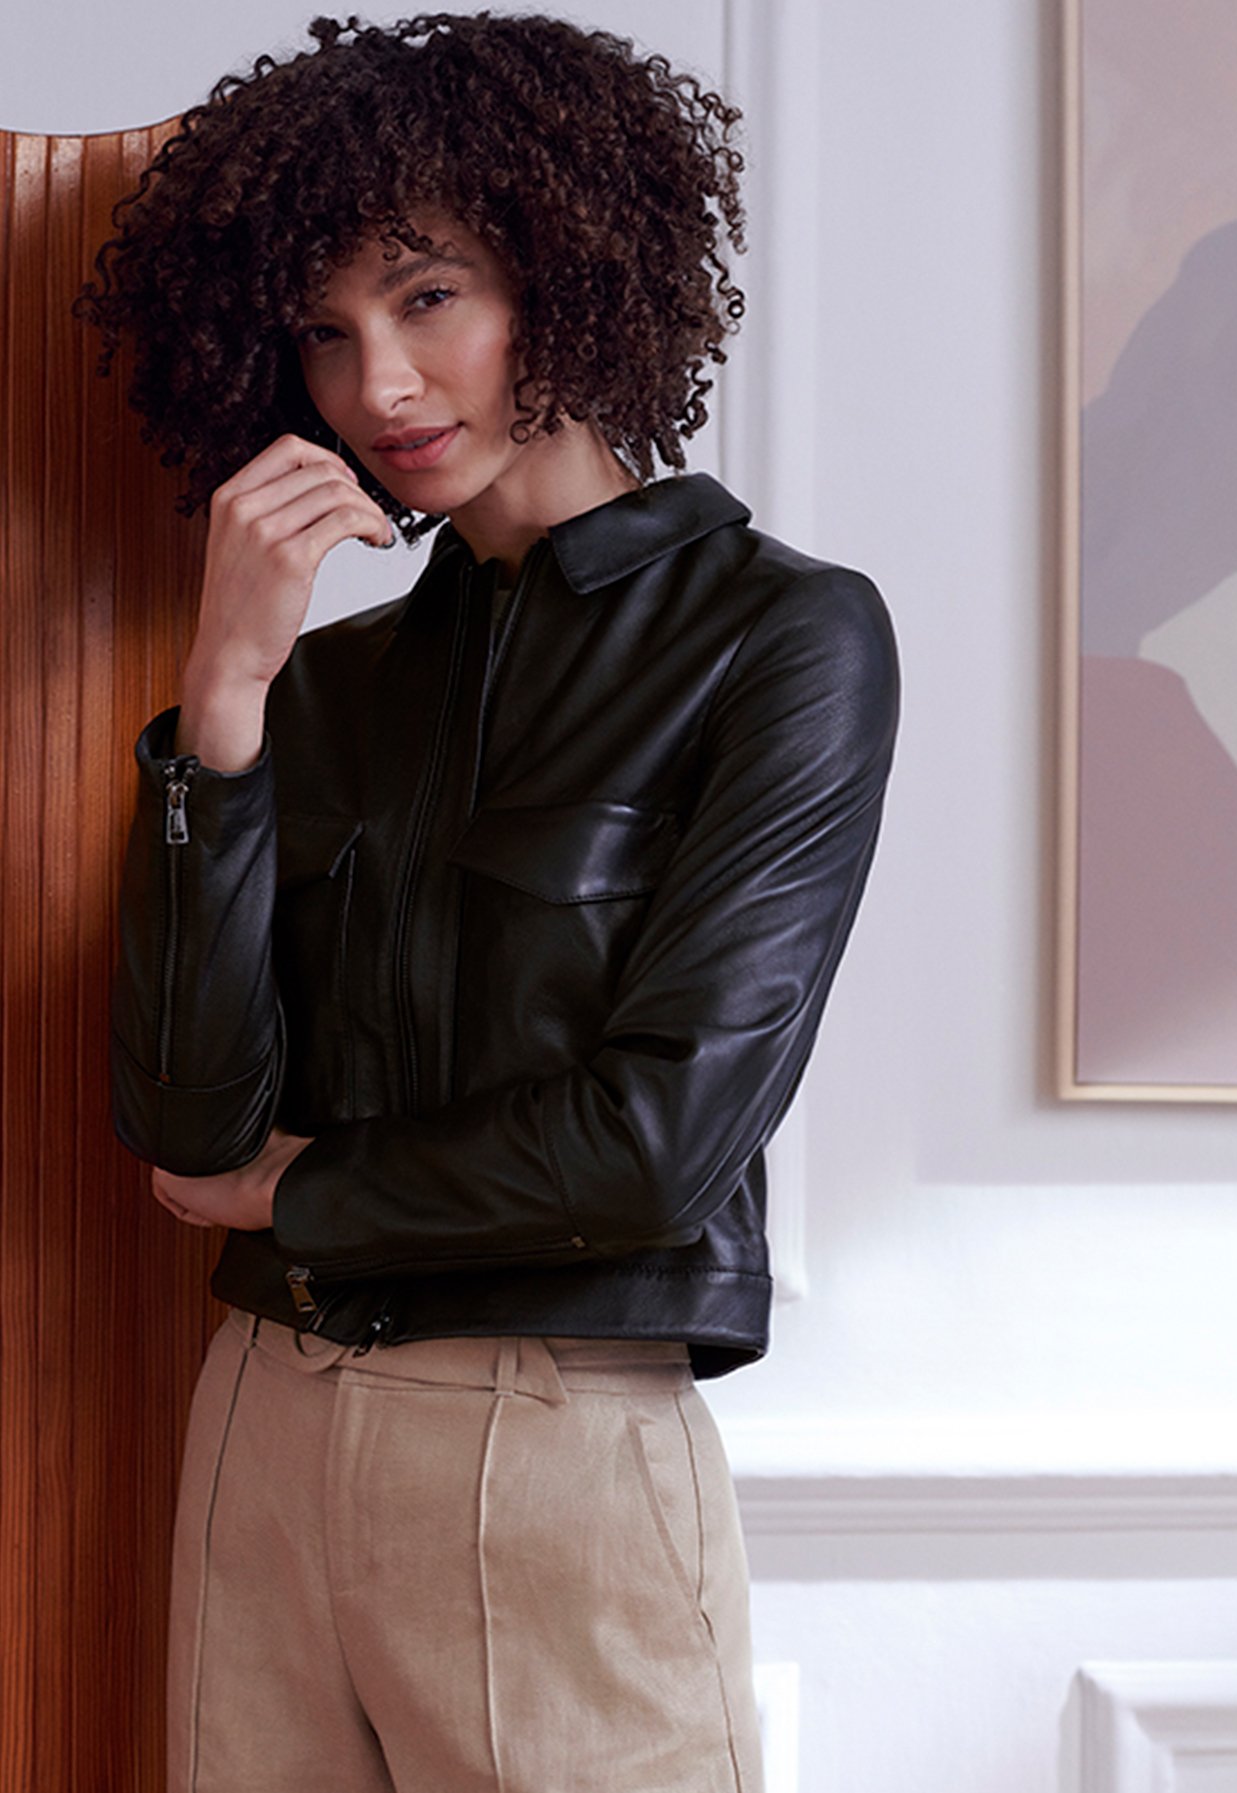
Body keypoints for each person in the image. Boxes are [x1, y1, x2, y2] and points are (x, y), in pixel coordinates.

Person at [80, 13, 899, 1791]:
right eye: (324, 330)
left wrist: (305, 1188)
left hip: (550, 1438)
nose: (377, 382)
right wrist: (221, 707)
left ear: (572, 273)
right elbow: (180, 1115)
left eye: (427, 296)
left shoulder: (780, 634)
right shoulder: (328, 678)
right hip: (260, 1435)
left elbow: (657, 1139)